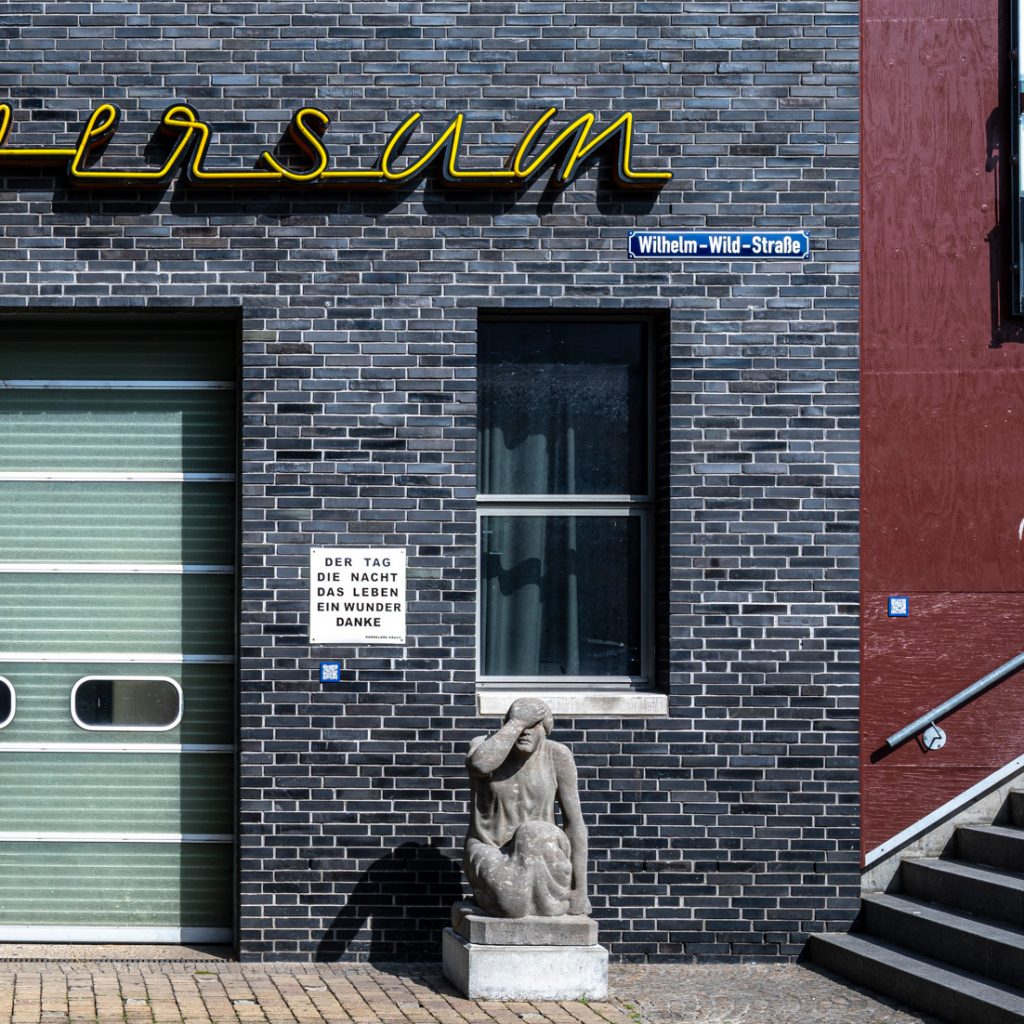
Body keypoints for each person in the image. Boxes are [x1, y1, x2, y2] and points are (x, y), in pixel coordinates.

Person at [463, 697, 592, 918]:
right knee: (512, 904)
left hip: (541, 849)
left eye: (532, 725)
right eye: (518, 723)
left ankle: (500, 899)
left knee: (532, 832)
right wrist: (517, 723)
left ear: (545, 729)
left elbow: (575, 824)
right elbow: (480, 765)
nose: (524, 731)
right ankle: (495, 897)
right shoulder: (482, 746)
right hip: (490, 847)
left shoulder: (557, 755)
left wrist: (581, 889)